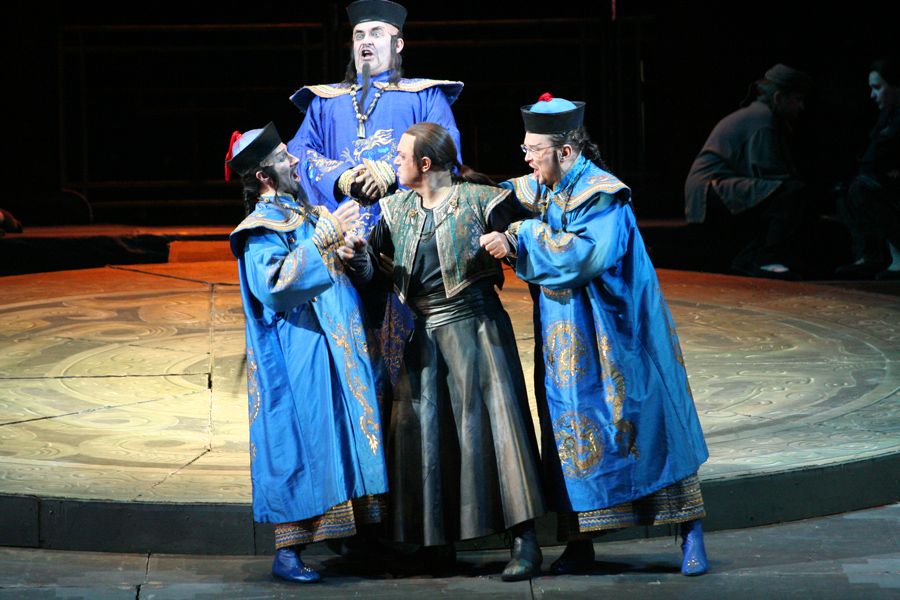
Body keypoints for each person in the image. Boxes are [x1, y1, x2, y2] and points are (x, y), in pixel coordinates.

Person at [479, 94, 710, 576]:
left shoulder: (604, 195)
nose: (526, 158)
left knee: (644, 421)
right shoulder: (545, 186)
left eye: (533, 149)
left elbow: (585, 256)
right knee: (571, 429)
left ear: (565, 151)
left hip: (616, 331)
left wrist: (520, 237)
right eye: (525, 149)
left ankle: (689, 531)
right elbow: (500, 194)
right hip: (566, 337)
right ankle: (580, 541)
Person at [338, 122, 546, 582]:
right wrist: (360, 259)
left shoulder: (481, 200)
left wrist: (511, 242)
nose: (395, 162)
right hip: (422, 336)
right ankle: (437, 545)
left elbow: (530, 231)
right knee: (426, 437)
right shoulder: (394, 209)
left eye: (401, 156)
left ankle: (524, 540)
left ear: (425, 163)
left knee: (498, 430)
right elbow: (379, 278)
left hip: (477, 330)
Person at [225, 122, 389, 583]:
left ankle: (355, 537)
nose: (295, 159)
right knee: (303, 437)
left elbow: (343, 270)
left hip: (339, 345)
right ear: (264, 176)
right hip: (301, 349)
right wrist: (322, 241)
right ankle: (289, 549)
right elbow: (274, 285)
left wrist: (356, 257)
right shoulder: (260, 230)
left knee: (344, 432)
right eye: (283, 156)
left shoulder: (310, 214)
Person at [288, 0, 463, 236]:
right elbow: (299, 152)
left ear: (398, 44)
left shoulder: (426, 96)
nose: (366, 41)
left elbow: (447, 152)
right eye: (359, 35)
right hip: (343, 229)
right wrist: (340, 176)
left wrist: (393, 171)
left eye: (376, 33)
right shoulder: (324, 102)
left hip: (409, 228)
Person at [684, 63, 813, 279]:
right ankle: (767, 258)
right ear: (778, 98)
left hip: (714, 187)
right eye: (797, 99)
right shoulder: (763, 120)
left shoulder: (764, 116)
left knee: (786, 192)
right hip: (711, 189)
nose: (801, 107)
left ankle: (751, 257)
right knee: (790, 192)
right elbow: (769, 171)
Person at [835, 56, 900, 280]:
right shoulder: (887, 116)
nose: (873, 95)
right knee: (845, 191)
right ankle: (870, 256)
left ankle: (896, 257)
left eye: (878, 88)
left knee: (864, 189)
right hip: (882, 178)